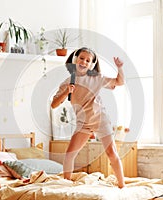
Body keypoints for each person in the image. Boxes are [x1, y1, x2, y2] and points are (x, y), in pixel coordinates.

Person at [51, 47, 125, 188]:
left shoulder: (96, 78)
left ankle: (122, 186)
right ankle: (66, 184)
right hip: (83, 123)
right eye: (81, 58)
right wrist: (67, 91)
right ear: (75, 59)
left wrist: (119, 68)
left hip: (100, 119)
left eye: (88, 60)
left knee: (111, 153)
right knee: (69, 154)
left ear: (91, 64)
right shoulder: (68, 82)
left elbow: (119, 82)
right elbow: (54, 104)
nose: (84, 62)